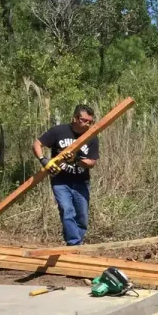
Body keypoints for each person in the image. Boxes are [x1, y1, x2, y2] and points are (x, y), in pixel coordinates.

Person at [32, 105, 99, 246]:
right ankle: (74, 244)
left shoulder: (92, 137)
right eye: (84, 120)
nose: (87, 124)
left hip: (81, 182)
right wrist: (43, 160)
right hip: (61, 181)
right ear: (75, 118)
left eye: (90, 122)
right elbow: (37, 144)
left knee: (82, 217)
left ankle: (76, 245)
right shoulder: (59, 131)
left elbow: (92, 162)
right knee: (67, 210)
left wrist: (76, 159)